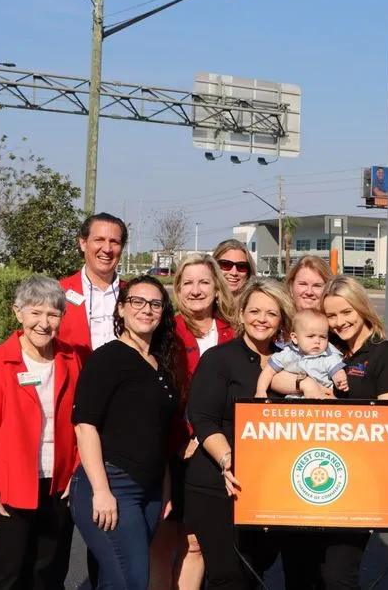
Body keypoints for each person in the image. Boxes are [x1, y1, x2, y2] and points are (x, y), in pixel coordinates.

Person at [268, 274, 388, 588]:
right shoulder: (324, 348)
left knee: (337, 576)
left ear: (362, 308)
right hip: (305, 475)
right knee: (299, 571)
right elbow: (275, 375)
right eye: (331, 315)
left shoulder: (384, 354)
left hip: (355, 482)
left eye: (346, 312)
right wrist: (305, 383)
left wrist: (338, 409)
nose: (339, 322)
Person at [0, 275, 81, 590]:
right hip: (10, 489)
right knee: (5, 576)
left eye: (53, 314)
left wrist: (77, 471)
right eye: (35, 313)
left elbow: (82, 423)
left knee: (49, 575)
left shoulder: (71, 359)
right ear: (18, 313)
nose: (44, 323)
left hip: (59, 486)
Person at [69, 276, 179, 589]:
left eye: (155, 303)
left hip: (151, 490)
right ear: (121, 309)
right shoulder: (107, 358)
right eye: (137, 301)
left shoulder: (160, 363)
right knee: (131, 581)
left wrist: (165, 487)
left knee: (114, 581)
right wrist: (102, 491)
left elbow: (159, 431)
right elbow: (85, 426)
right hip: (112, 484)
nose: (147, 309)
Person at [185, 278, 295, 588]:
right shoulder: (219, 359)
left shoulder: (291, 363)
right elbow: (203, 419)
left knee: (256, 571)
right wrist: (227, 459)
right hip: (219, 482)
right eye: (255, 311)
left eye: (271, 313)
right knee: (228, 575)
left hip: (270, 486)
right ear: (242, 313)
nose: (262, 319)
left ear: (281, 320)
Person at [150, 253, 239, 590]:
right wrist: (182, 439)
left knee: (197, 543)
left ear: (217, 288)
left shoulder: (235, 332)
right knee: (164, 542)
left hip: (218, 450)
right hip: (174, 450)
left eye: (204, 282)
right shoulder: (163, 332)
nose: (196, 290)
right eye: (188, 283)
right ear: (177, 289)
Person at [57, 212, 128, 360]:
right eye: (99, 240)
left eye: (114, 242)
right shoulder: (58, 292)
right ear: (83, 243)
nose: (107, 249)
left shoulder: (134, 295)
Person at [255, 308, 348, 398]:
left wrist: (339, 379)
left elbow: (337, 371)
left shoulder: (328, 356)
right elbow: (268, 371)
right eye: (311, 336)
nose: (317, 341)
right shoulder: (288, 353)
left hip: (321, 399)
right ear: (295, 338)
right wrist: (261, 391)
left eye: (323, 337)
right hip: (294, 401)